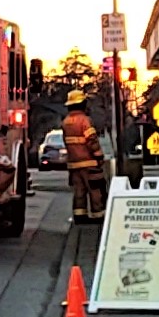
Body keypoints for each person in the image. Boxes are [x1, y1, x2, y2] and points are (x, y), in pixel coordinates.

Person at [61, 90, 107, 224]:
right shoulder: (85, 121)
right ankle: (97, 215)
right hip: (89, 162)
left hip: (74, 164)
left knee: (79, 191)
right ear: (82, 104)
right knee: (95, 189)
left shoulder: (66, 122)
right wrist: (98, 155)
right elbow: (92, 140)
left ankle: (79, 216)